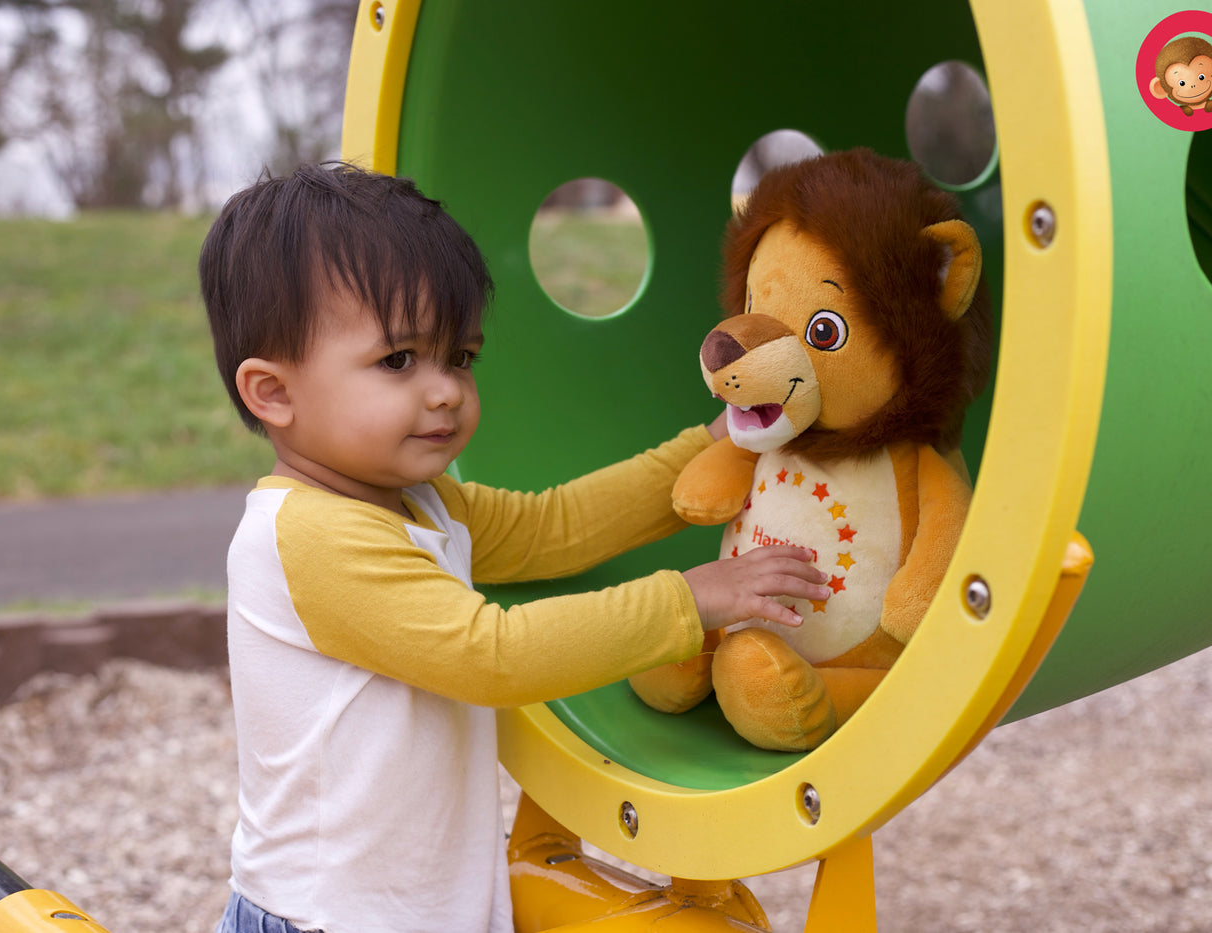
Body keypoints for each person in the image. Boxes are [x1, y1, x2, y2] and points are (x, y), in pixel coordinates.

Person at [198, 161, 830, 933]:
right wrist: (691, 599)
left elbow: (554, 527)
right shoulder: (307, 534)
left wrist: (709, 447)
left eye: (459, 357)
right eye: (398, 360)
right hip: (326, 919)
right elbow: (489, 654)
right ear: (274, 393)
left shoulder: (419, 501)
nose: (444, 392)